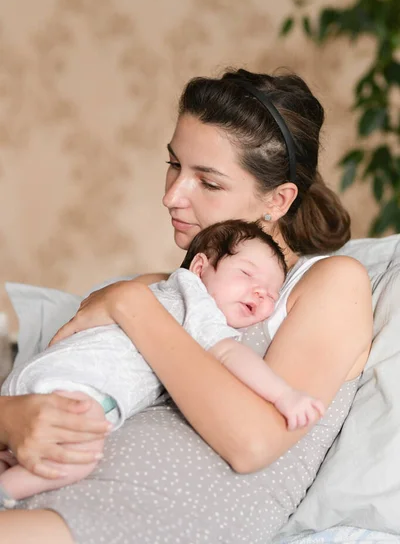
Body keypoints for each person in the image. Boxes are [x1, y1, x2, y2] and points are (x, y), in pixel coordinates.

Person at [0, 68, 372, 544]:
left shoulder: (330, 283)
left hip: (146, 518)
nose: (171, 195)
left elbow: (253, 443)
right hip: (46, 489)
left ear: (277, 200)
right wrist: (12, 417)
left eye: (208, 182)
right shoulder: (160, 289)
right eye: (174, 164)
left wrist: (131, 303)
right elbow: (67, 375)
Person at [0, 220, 324, 507]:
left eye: (271, 292)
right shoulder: (196, 300)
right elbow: (228, 354)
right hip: (77, 385)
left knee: (23, 454)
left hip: (32, 383)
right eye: (246, 274)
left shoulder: (157, 292)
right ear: (200, 268)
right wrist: (284, 395)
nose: (260, 291)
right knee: (82, 457)